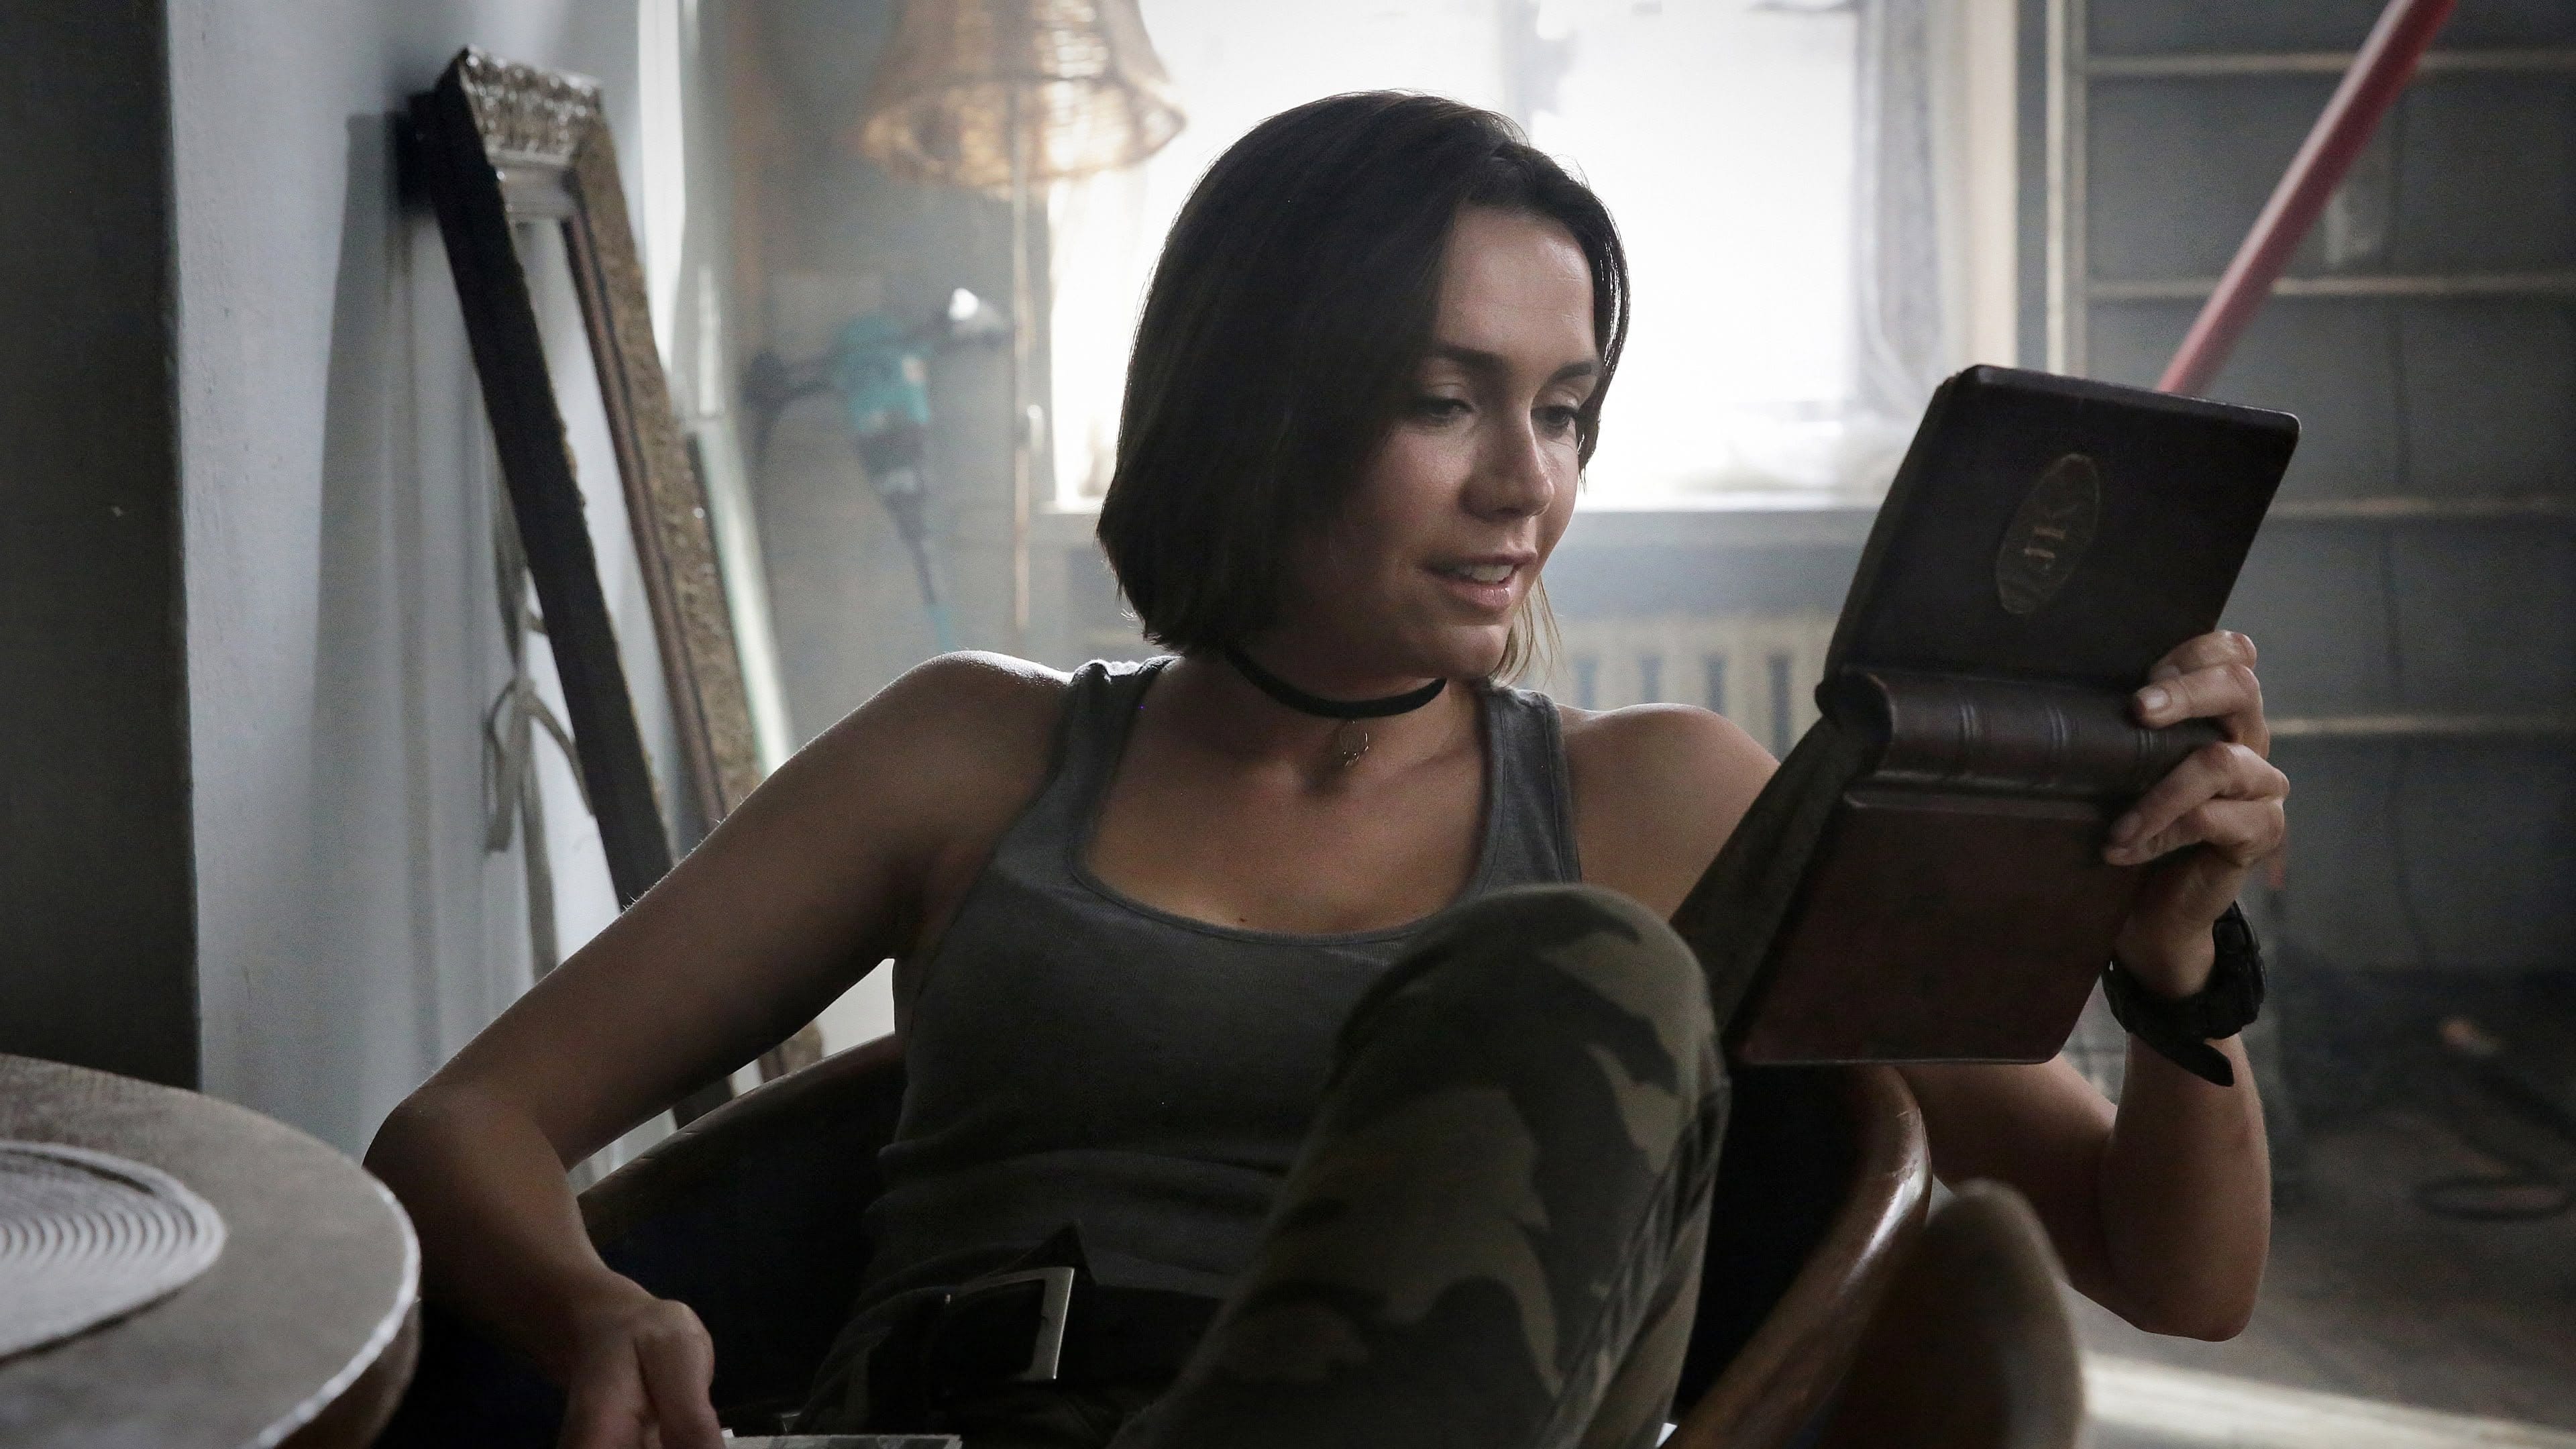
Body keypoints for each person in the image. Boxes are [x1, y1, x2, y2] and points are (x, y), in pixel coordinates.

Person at [366, 93, 2287, 1449]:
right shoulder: (974, 751)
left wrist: (2179, 967)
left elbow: (2167, 1268)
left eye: (1565, 411)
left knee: (1583, 971)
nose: (1526, 483)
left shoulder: (1659, 804)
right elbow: (463, 1128)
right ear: (1257, 405)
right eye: (1445, 401)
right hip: (974, 1416)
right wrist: (602, 1311)